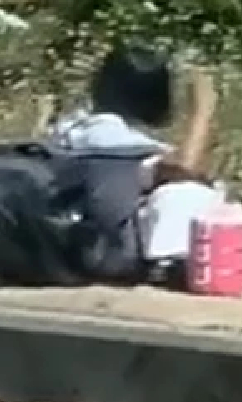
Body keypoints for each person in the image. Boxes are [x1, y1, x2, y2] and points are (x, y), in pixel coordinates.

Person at [46, 42, 225, 285]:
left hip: (63, 242)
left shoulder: (74, 129)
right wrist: (202, 112)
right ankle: (165, 264)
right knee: (187, 191)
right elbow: (183, 168)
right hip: (102, 253)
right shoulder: (114, 138)